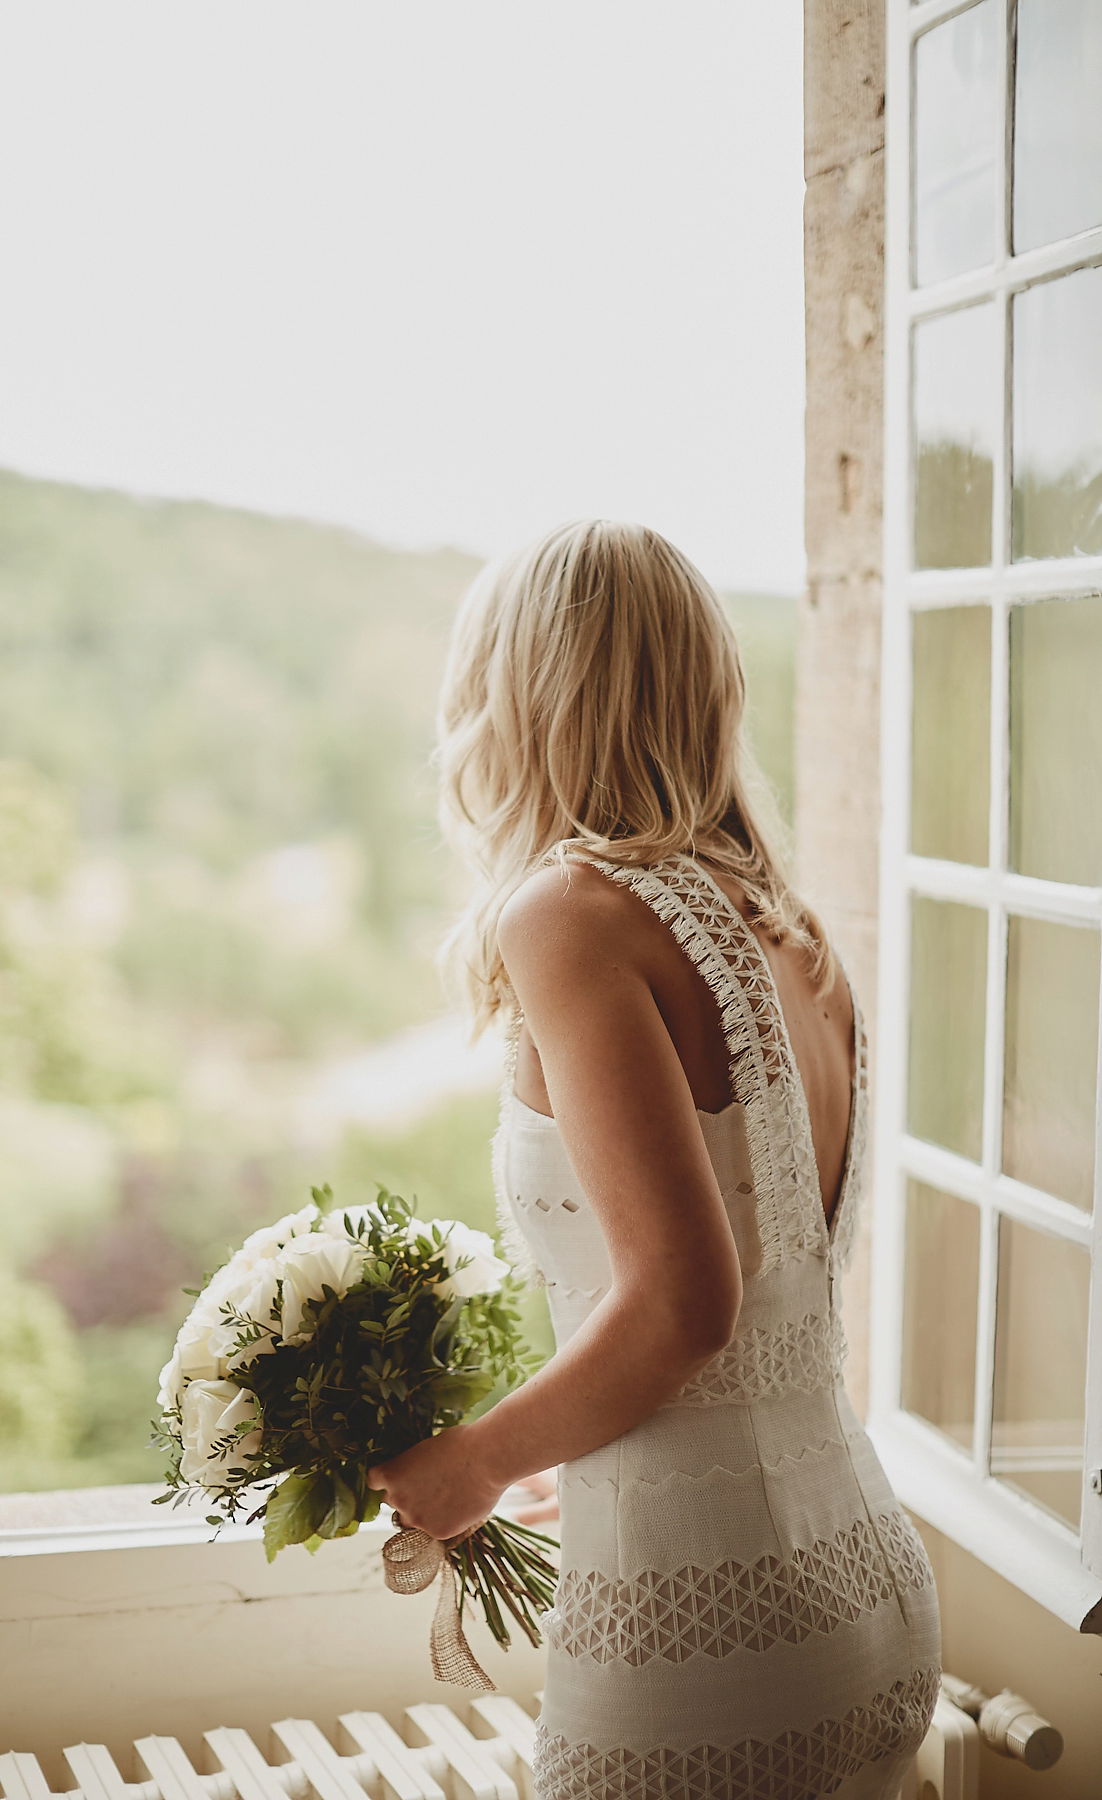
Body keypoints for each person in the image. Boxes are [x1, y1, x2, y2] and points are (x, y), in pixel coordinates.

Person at [369, 521, 940, 1799]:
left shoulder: (572, 912)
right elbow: (769, 1311)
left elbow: (688, 1305)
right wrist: (586, 1456)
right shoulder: (794, 931)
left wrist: (475, 1463)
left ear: (524, 696)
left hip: (704, 1629)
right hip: (868, 1591)